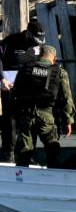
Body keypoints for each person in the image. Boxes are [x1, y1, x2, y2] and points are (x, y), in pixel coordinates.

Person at [11, 44, 74, 168]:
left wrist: (15, 114)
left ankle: (21, 177)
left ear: (39, 55)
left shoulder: (25, 68)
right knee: (52, 149)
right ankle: (53, 175)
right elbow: (66, 98)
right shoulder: (60, 72)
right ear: (54, 59)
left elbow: (14, 93)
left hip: (26, 114)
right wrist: (68, 120)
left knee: (23, 152)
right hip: (47, 115)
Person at [0, 18, 45, 161]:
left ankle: (26, 152)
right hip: (9, 85)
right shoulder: (10, 41)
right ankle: (9, 152)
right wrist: (1, 79)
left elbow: (42, 64)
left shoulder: (38, 46)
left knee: (29, 119)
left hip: (29, 86)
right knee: (10, 119)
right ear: (28, 33)